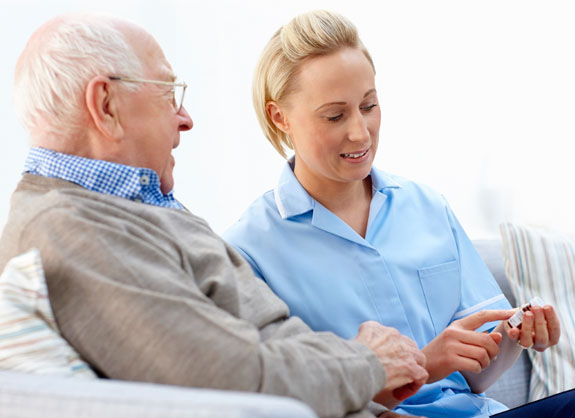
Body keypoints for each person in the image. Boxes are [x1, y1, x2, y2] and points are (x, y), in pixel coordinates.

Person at [0, 13, 431, 418]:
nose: (185, 119)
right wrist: (368, 361)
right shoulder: (72, 230)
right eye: (169, 93)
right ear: (106, 105)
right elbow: (234, 379)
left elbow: (265, 347)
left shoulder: (124, 208)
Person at [223, 10, 570, 418]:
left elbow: (478, 375)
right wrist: (426, 363)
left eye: (368, 105)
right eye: (335, 115)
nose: (360, 132)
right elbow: (284, 405)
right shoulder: (247, 252)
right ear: (279, 116)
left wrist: (517, 333)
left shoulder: (426, 206)